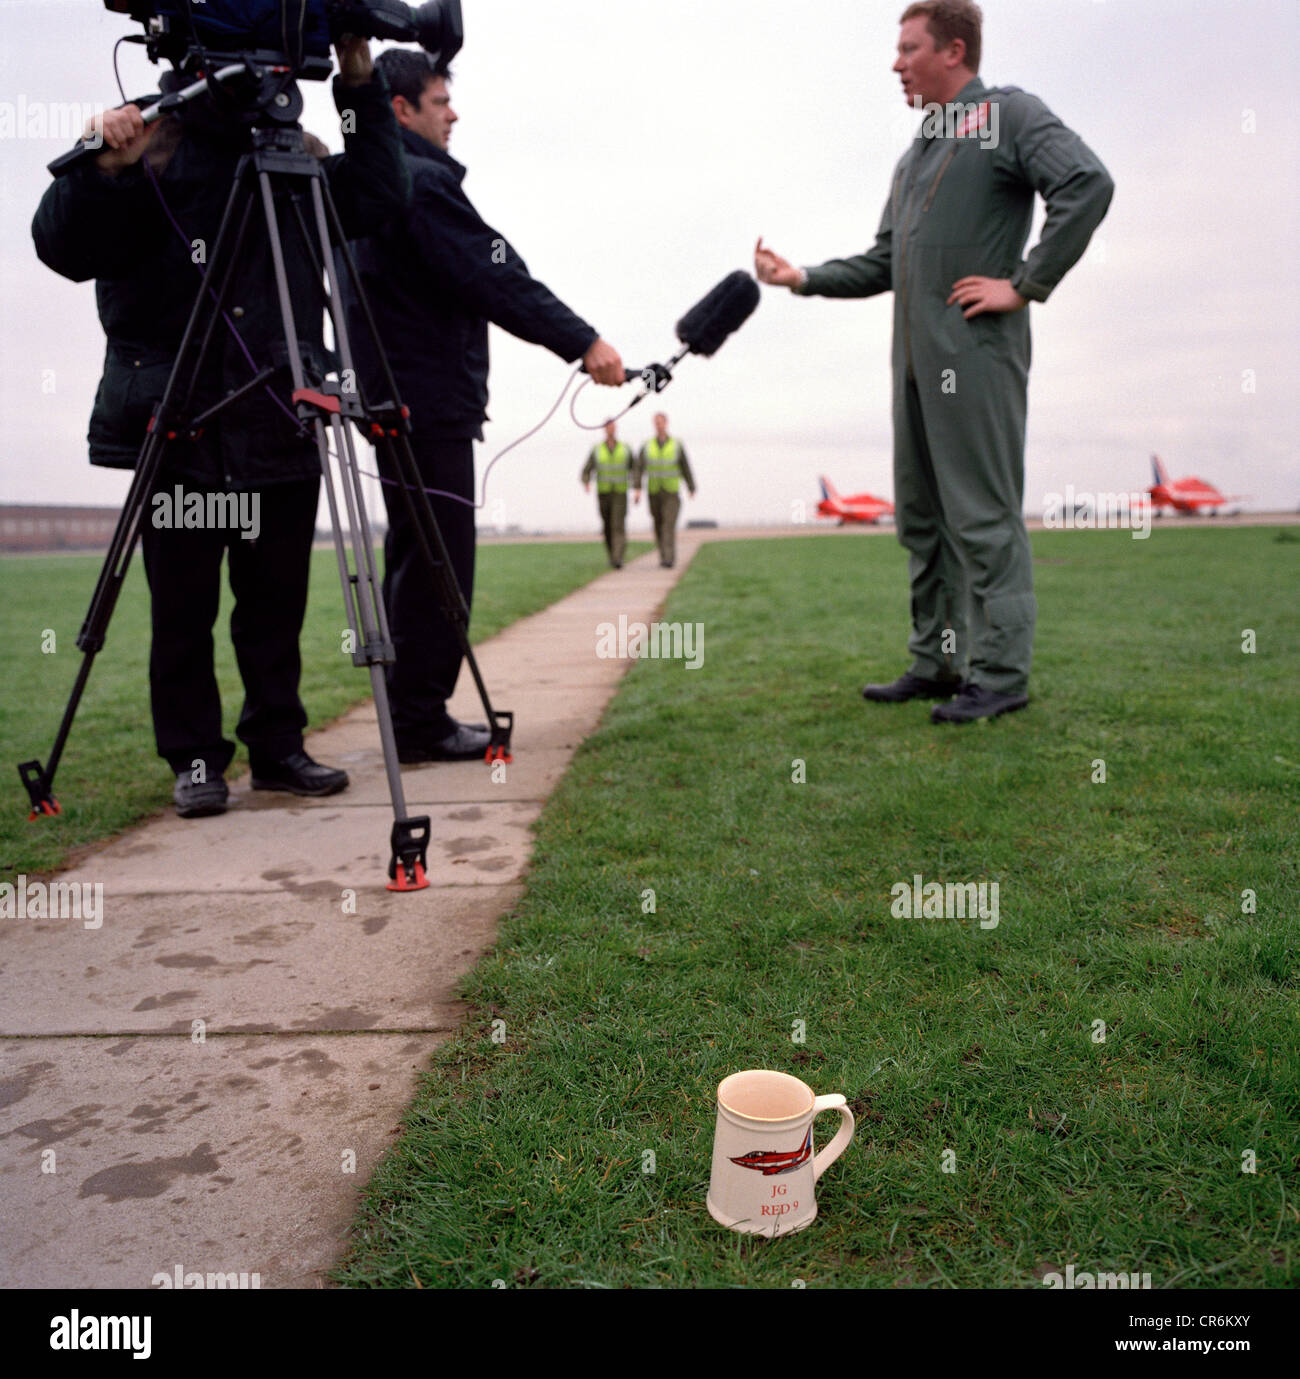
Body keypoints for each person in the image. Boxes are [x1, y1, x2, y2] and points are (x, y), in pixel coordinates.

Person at [32, 39, 409, 816]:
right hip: (183, 419)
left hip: (276, 413)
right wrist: (105, 166)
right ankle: (196, 758)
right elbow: (60, 246)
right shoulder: (147, 137)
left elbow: (379, 195)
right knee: (183, 607)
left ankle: (278, 747)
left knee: (276, 604)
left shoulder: (292, 156)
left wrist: (359, 79)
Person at [756, 0, 1113, 724]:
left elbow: (1087, 184)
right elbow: (886, 260)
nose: (895, 63)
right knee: (923, 521)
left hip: (977, 360)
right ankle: (939, 660)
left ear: (954, 51)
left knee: (983, 517)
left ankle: (1001, 673)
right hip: (913, 369)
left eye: (908, 48)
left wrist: (1025, 283)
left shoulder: (1009, 117)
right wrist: (802, 276)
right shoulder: (916, 153)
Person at [345, 51, 626, 763]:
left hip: (389, 397)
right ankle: (420, 718)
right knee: (442, 562)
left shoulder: (366, 182)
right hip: (429, 403)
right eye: (440, 100)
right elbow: (495, 276)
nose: (454, 112)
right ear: (401, 109)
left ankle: (410, 709)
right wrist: (583, 340)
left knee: (414, 555)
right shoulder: (419, 183)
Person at [634, 413, 696, 569]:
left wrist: (691, 486)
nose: (658, 425)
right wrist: (637, 488)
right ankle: (663, 555)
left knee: (668, 524)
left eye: (661, 422)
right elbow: (639, 468)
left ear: (666, 423)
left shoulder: (676, 444)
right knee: (658, 524)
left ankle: (668, 558)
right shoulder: (647, 445)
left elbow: (685, 466)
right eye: (656, 422)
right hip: (654, 490)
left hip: (671, 491)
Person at [582, 421, 635, 570]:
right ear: (604, 429)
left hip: (620, 492)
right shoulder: (597, 449)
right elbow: (587, 469)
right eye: (608, 427)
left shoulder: (625, 448)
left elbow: (635, 468)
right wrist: (586, 482)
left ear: (616, 428)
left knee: (618, 525)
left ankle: (618, 558)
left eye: (612, 426)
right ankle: (612, 555)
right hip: (603, 492)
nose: (610, 429)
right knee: (607, 527)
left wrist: (637, 487)